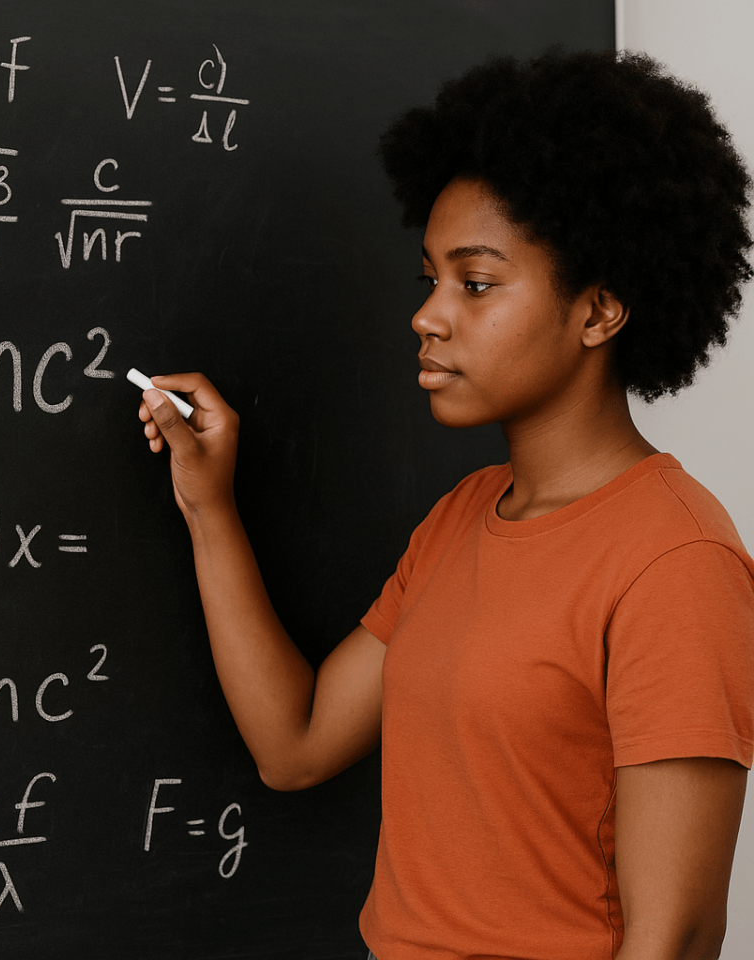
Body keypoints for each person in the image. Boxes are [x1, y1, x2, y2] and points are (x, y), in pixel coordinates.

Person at [136, 49, 754, 960]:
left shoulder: (676, 563)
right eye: (429, 278)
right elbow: (295, 745)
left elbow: (675, 939)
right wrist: (208, 507)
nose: (428, 316)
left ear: (598, 312)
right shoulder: (463, 515)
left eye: (476, 283)